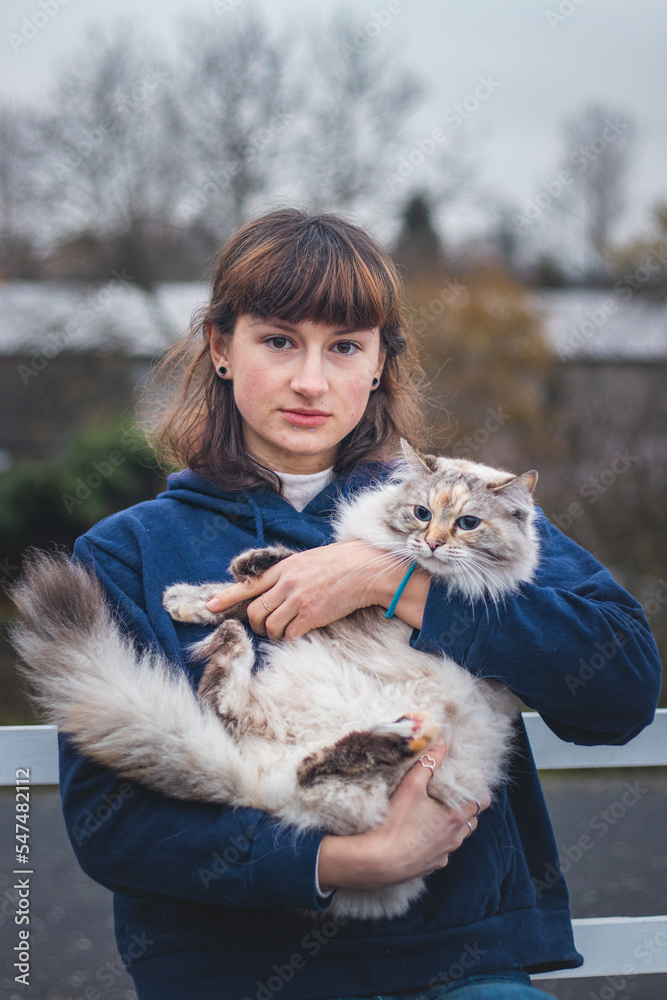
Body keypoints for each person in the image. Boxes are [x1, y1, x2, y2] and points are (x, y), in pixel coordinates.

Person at [60, 208, 661, 1000]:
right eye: (279, 341)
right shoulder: (127, 552)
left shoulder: (467, 502)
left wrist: (398, 583)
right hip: (234, 974)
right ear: (220, 348)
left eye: (344, 347)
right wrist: (330, 864)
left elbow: (619, 690)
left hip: (460, 963)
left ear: (379, 363)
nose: (312, 380)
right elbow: (115, 826)